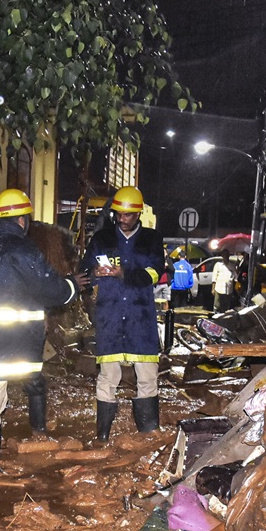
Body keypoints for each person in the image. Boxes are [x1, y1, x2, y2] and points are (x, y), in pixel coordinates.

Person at [0, 189, 88, 489]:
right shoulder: (24, 251)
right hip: (5, 341)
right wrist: (72, 286)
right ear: (22, 220)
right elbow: (48, 289)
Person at [83, 186, 165, 441]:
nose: (122, 219)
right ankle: (102, 436)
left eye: (128, 215)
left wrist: (124, 274)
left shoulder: (152, 239)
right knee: (107, 377)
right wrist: (93, 274)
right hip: (109, 316)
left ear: (138, 214)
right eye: (119, 214)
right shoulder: (101, 239)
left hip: (141, 318)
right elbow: (84, 272)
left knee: (147, 376)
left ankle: (148, 432)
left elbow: (155, 273)